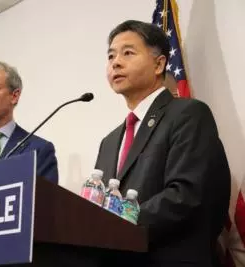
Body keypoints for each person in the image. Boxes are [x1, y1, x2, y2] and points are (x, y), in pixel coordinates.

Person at [95, 20, 230, 267]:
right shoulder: (109, 141)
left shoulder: (188, 114)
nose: (115, 62)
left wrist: (115, 224)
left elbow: (185, 195)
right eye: (111, 55)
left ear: (159, 64)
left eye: (128, 53)